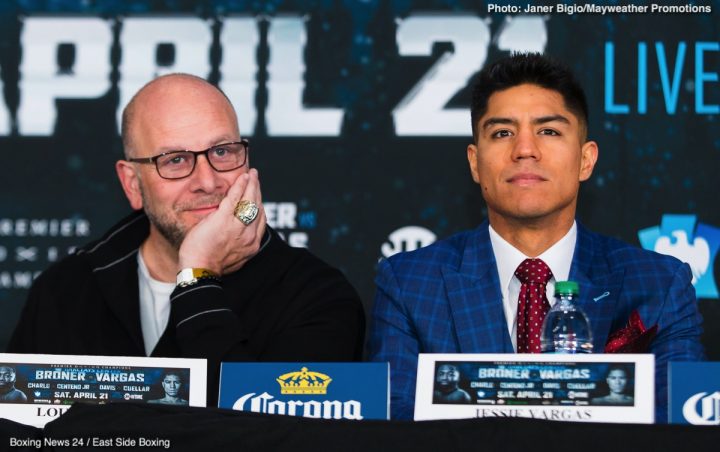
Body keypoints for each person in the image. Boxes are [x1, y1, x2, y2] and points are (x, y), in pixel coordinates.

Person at [368, 53, 704, 422]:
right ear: (475, 162)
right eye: (502, 133)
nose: (525, 149)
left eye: (549, 131)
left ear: (585, 160)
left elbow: (680, 426)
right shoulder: (410, 284)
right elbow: (392, 427)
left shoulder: (659, 284)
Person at [8, 74, 365, 404]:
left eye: (222, 152)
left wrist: (198, 278)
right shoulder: (65, 290)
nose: (208, 182)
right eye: (175, 160)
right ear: (133, 184)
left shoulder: (318, 296)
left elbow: (269, 434)